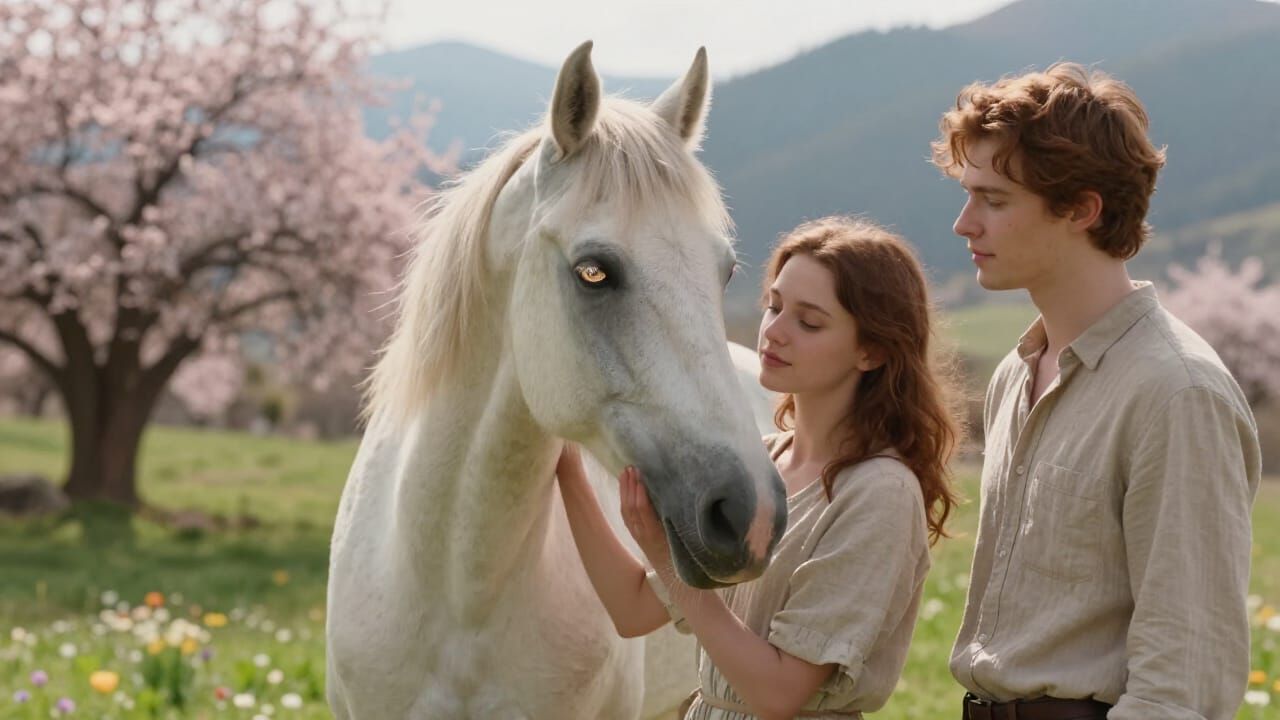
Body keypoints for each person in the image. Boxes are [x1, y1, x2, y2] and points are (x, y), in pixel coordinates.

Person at [931, 63, 1262, 720]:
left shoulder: (1177, 393)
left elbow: (1185, 679)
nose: (963, 225)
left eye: (994, 200)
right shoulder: (1013, 377)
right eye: (968, 196)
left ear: (1082, 209)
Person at [556, 216, 963, 719]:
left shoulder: (880, 492)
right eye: (774, 306)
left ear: (871, 350)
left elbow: (778, 693)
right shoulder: (760, 463)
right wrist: (567, 470)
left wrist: (669, 561)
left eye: (808, 321)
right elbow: (632, 608)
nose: (774, 332)